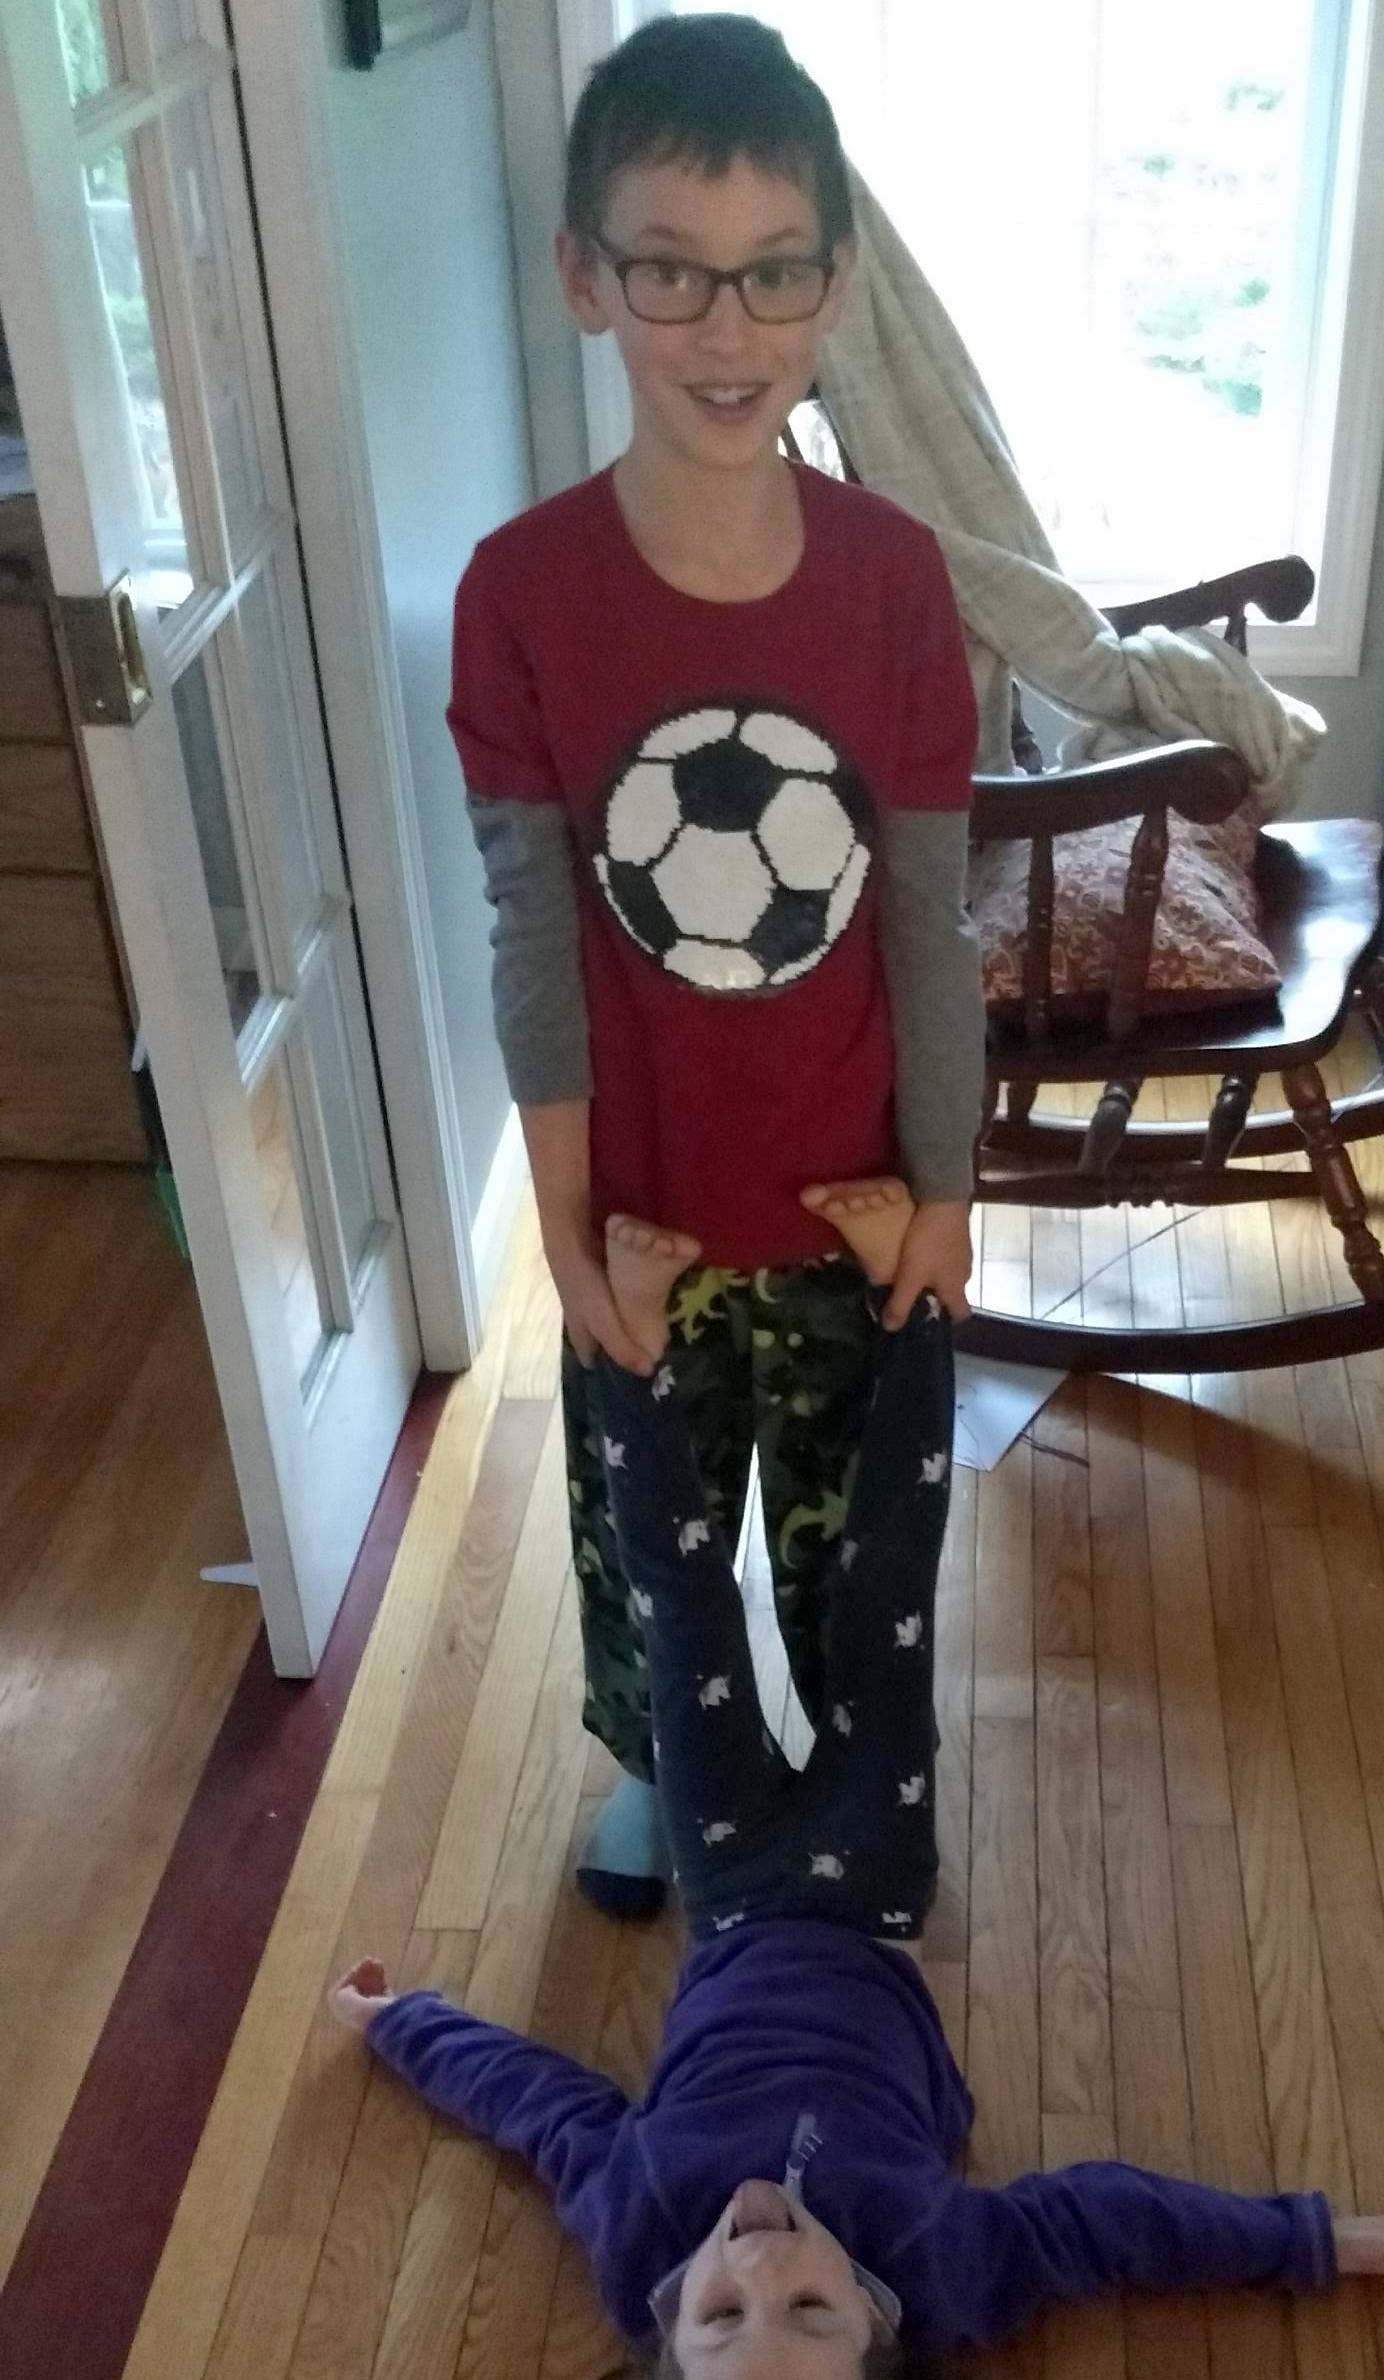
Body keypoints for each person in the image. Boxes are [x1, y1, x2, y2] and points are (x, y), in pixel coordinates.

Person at [331, 1190, 1384, 2380]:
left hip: (731, 1888)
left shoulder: (634, 2224)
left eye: (722, 2317)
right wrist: (1312, 2239)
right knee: (885, 1606)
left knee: (683, 1613)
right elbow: (1110, 2222)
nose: (762, 2257)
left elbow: (533, 2104)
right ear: (882, 2335)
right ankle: (915, 1308)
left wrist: (399, 2021)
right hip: (869, 1893)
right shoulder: (942, 2265)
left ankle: (633, 1358)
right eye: (810, 2306)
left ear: (664, 2345)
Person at [447, 13, 986, 1923]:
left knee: (858, 1560)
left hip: (853, 1206)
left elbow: (926, 919)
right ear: (585, 278)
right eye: (670, 270)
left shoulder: (896, 579)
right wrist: (565, 1230)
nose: (726, 327)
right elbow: (534, 927)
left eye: (773, 272)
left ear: (833, 284)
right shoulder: (520, 591)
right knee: (642, 1549)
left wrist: (948, 1196)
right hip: (646, 1220)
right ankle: (659, 1771)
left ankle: (846, 1804)